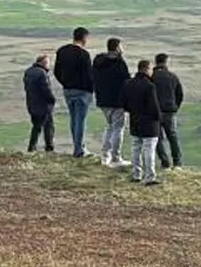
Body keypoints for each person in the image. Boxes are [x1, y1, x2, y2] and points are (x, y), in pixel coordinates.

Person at [52, 26, 94, 158]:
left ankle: (78, 146)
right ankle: (78, 150)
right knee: (80, 120)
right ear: (84, 38)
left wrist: (65, 83)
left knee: (74, 119)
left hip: (68, 90)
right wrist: (91, 89)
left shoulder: (62, 51)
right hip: (82, 91)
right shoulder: (84, 54)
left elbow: (56, 71)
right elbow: (89, 75)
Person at [91, 36, 131, 168]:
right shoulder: (119, 63)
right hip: (117, 101)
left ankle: (105, 156)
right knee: (118, 129)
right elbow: (126, 82)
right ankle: (115, 158)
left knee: (110, 127)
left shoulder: (98, 62)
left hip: (103, 99)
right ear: (117, 48)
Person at [122, 59, 162, 186]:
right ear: (146, 69)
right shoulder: (149, 86)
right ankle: (149, 176)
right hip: (149, 123)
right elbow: (154, 107)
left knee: (135, 148)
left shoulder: (128, 84)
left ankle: (136, 174)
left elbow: (124, 103)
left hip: (135, 120)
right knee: (149, 149)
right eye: (151, 69)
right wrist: (159, 118)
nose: (152, 72)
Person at [152, 53, 185, 171]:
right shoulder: (172, 76)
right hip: (169, 111)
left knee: (157, 138)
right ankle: (177, 163)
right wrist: (175, 107)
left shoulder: (151, 77)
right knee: (172, 136)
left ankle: (165, 163)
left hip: (154, 112)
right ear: (166, 62)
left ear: (156, 62)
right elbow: (179, 94)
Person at [22, 54, 56, 153]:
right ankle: (47, 147)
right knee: (47, 126)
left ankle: (33, 147)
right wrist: (52, 99)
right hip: (43, 105)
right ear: (44, 63)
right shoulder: (42, 74)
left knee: (37, 126)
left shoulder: (28, 72)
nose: (49, 65)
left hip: (31, 104)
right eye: (48, 63)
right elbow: (46, 89)